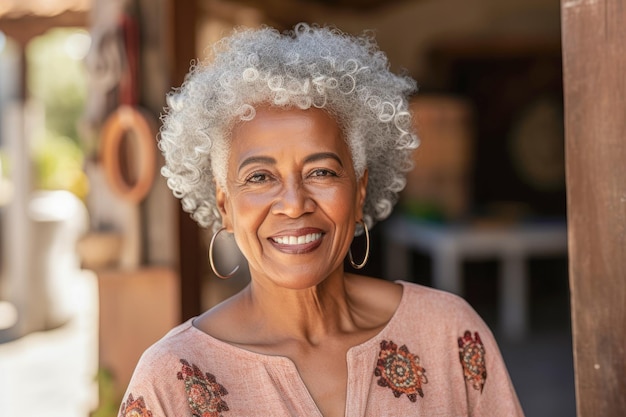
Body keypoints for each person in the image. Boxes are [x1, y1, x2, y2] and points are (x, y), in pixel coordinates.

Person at [119, 23, 524, 417]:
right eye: (259, 177)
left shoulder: (447, 334)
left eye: (322, 172)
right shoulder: (172, 380)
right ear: (224, 205)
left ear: (360, 188)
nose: (294, 204)